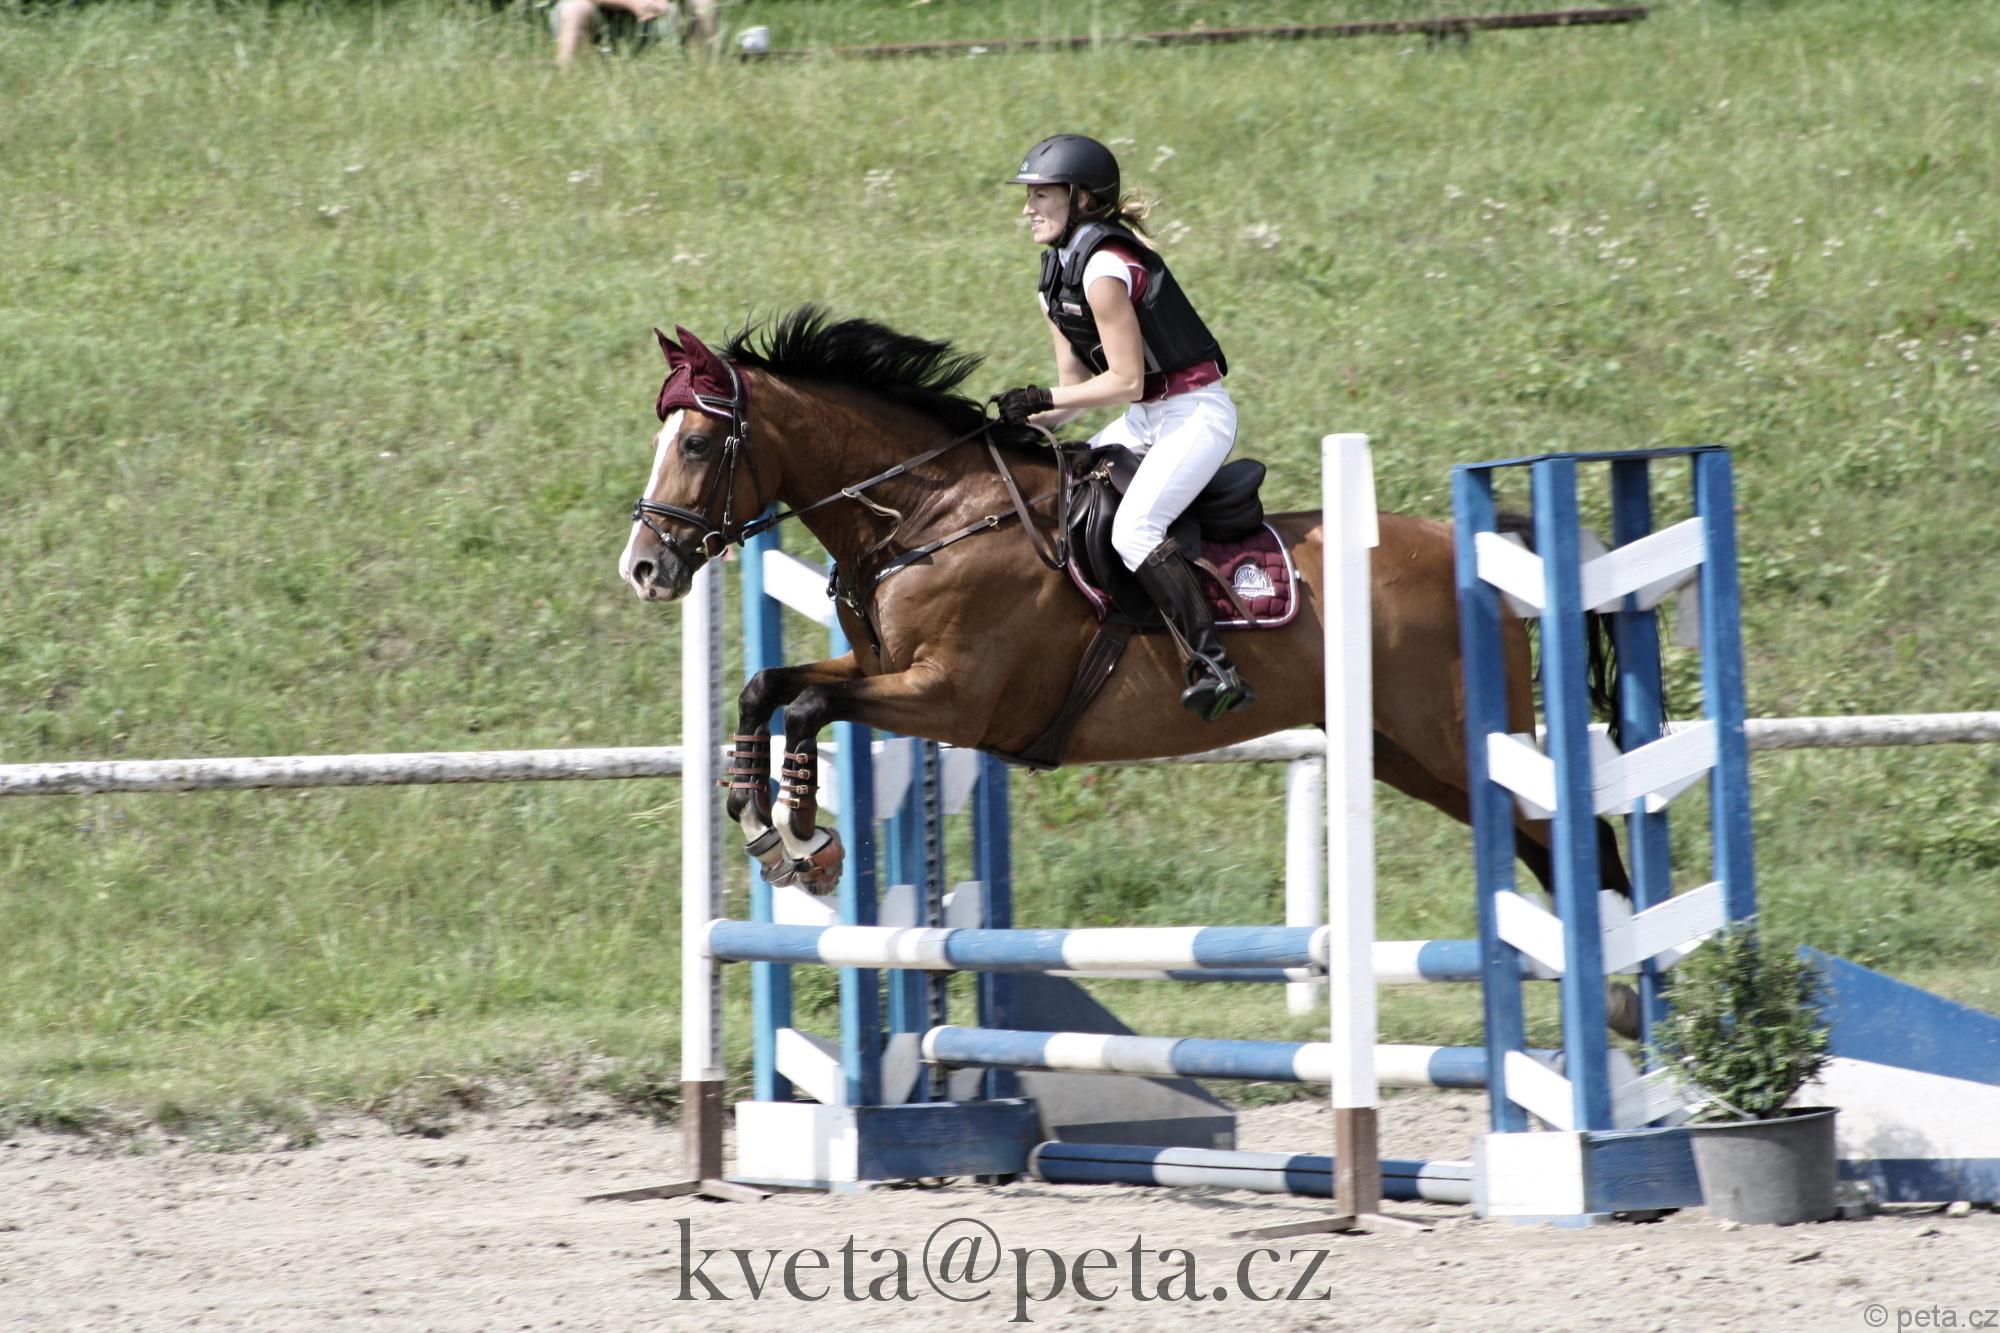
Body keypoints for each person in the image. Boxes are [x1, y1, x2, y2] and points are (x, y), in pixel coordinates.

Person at [992, 134, 1254, 721]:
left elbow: (1127, 380)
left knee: (1135, 528)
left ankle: (1214, 665)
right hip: (1144, 419)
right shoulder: (1054, 278)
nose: (1028, 208)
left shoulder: (1105, 268)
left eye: (1041, 195)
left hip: (1194, 415)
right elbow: (1073, 390)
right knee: (1058, 493)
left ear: (1081, 198)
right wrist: (1016, 420)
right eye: (1029, 195)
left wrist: (1044, 397)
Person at [548, 0, 715, 67]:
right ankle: (567, 79)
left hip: (655, 17)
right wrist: (633, 3)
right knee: (575, 9)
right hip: (597, 18)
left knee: (703, 3)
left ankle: (704, 78)